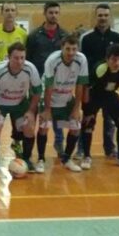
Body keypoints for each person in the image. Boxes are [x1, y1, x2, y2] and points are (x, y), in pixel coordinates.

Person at [25, 1, 70, 171]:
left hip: (58, 86)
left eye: (56, 12)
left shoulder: (65, 35)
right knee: (35, 118)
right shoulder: (34, 36)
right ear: (45, 13)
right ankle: (30, 153)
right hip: (37, 85)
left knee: (59, 119)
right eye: (50, 12)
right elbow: (27, 61)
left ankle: (60, 145)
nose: (54, 15)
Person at [0, 42, 42, 176]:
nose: (20, 61)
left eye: (22, 57)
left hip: (20, 103)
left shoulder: (30, 69)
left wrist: (30, 111)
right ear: (8, 57)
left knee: (29, 126)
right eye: (16, 58)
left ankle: (26, 158)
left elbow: (37, 92)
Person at [79, 3, 119, 162]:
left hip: (110, 88)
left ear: (110, 17)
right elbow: (82, 63)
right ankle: (83, 151)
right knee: (88, 119)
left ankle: (110, 148)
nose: (103, 18)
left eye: (106, 15)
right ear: (95, 16)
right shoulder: (86, 38)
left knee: (110, 120)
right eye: (100, 15)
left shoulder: (118, 37)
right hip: (92, 88)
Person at [81, 44, 119, 169]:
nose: (117, 63)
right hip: (94, 96)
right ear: (107, 59)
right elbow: (86, 87)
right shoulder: (100, 68)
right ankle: (86, 156)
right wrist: (85, 108)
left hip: (110, 96)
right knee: (88, 123)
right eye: (113, 59)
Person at [42, 35, 89, 172]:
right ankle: (40, 159)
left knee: (75, 126)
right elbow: (49, 87)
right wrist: (47, 110)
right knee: (44, 125)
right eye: (67, 49)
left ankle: (66, 159)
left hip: (67, 98)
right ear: (61, 48)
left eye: (74, 49)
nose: (71, 53)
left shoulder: (81, 59)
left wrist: (76, 108)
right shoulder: (52, 60)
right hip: (50, 96)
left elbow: (80, 84)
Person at [0, 2, 27, 67]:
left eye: (12, 10)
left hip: (16, 70)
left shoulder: (23, 34)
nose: (10, 13)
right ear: (1, 13)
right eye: (7, 10)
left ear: (16, 13)